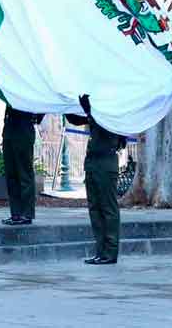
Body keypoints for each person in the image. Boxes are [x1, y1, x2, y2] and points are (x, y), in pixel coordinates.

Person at [68, 94, 125, 265]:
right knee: (94, 208)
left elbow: (101, 123)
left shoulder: (111, 115)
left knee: (108, 208)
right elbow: (75, 119)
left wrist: (88, 108)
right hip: (92, 162)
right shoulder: (96, 113)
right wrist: (66, 103)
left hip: (105, 163)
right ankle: (100, 251)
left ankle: (110, 252)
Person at [2, 105, 43, 225]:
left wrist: (36, 116)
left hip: (23, 126)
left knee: (24, 173)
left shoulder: (29, 89)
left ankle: (26, 214)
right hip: (10, 127)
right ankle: (16, 214)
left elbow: (43, 104)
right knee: (11, 174)